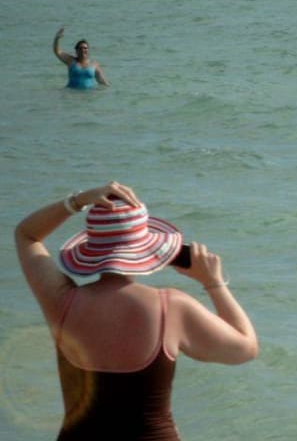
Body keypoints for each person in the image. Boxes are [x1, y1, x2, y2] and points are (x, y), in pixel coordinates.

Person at [15, 182, 258, 440]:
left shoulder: (61, 302)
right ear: (148, 249)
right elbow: (245, 349)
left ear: (91, 248)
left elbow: (26, 234)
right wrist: (213, 283)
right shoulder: (171, 307)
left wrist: (79, 200)